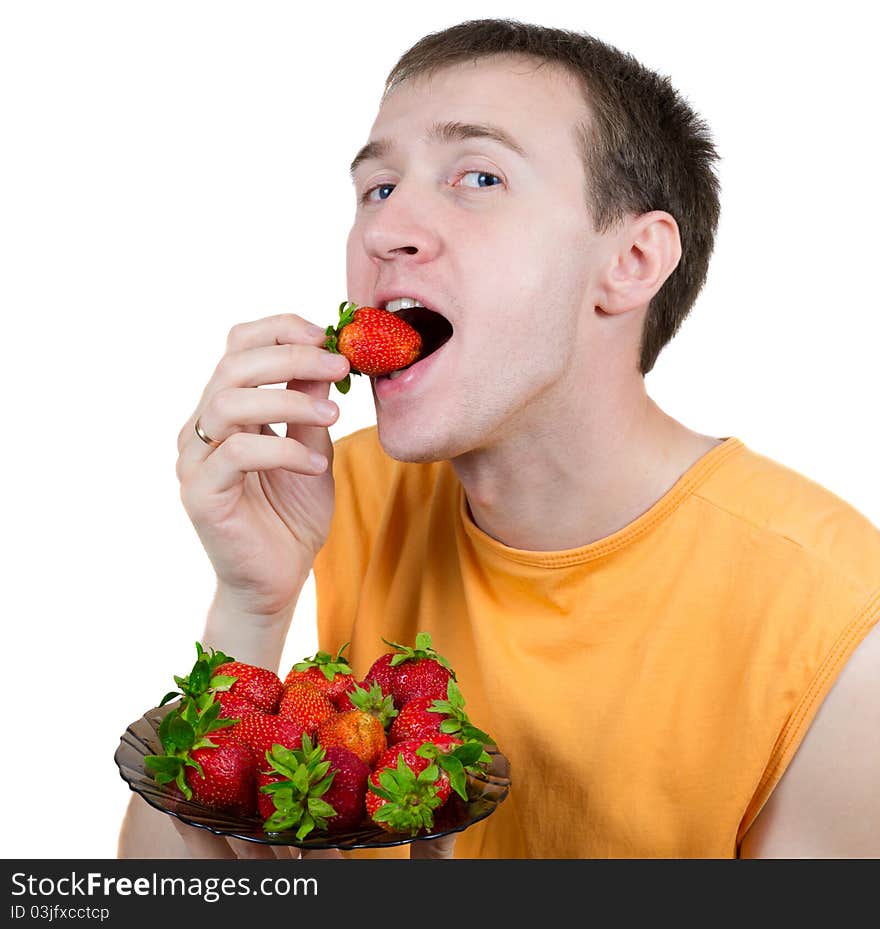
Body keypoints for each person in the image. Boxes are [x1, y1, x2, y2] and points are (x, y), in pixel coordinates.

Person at [117, 18, 880, 859]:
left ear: (629, 261)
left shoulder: (834, 622)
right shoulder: (338, 490)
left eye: (478, 176)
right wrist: (250, 607)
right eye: (377, 189)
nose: (385, 232)